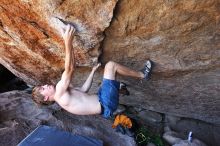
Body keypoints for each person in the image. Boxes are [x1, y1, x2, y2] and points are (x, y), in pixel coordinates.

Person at [32, 24, 153, 118]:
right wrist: (67, 40)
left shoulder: (63, 96)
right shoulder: (60, 94)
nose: (46, 85)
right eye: (43, 89)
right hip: (105, 102)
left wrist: (92, 72)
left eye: (43, 86)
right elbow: (69, 69)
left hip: (104, 105)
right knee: (111, 66)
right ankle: (143, 75)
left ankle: (119, 88)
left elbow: (83, 89)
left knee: (104, 82)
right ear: (46, 98)